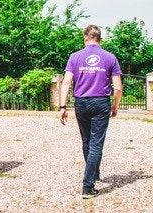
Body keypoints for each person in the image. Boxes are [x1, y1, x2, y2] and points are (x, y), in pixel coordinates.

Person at [59, 25, 123, 199]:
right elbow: (117, 88)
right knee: (96, 144)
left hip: (81, 103)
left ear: (85, 38)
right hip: (101, 102)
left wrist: (63, 107)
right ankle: (88, 187)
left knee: (87, 141)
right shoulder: (110, 57)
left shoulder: (75, 57)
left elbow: (66, 83)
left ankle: (93, 174)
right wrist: (115, 106)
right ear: (100, 39)